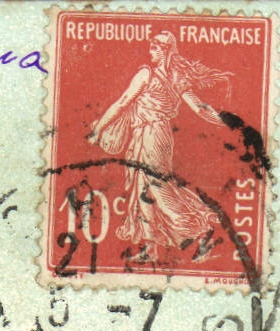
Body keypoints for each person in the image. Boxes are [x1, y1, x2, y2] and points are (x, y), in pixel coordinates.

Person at [88, 32, 234, 266]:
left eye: (155, 49)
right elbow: (201, 109)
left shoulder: (147, 74)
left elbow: (123, 102)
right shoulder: (177, 78)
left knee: (157, 187)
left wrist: (99, 129)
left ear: (165, 50)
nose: (151, 53)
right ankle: (150, 245)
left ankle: (199, 233)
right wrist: (226, 121)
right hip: (151, 135)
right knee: (142, 188)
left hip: (151, 136)